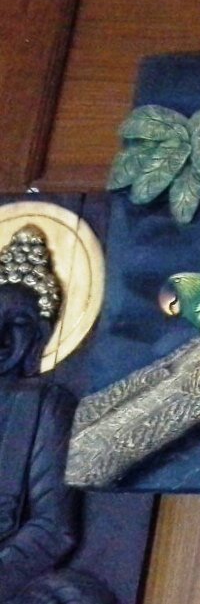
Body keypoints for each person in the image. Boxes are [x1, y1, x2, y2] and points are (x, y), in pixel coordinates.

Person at [0, 226, 113, 604]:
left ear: (40, 335)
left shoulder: (43, 405)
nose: (1, 337)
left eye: (17, 325)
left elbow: (53, 527)